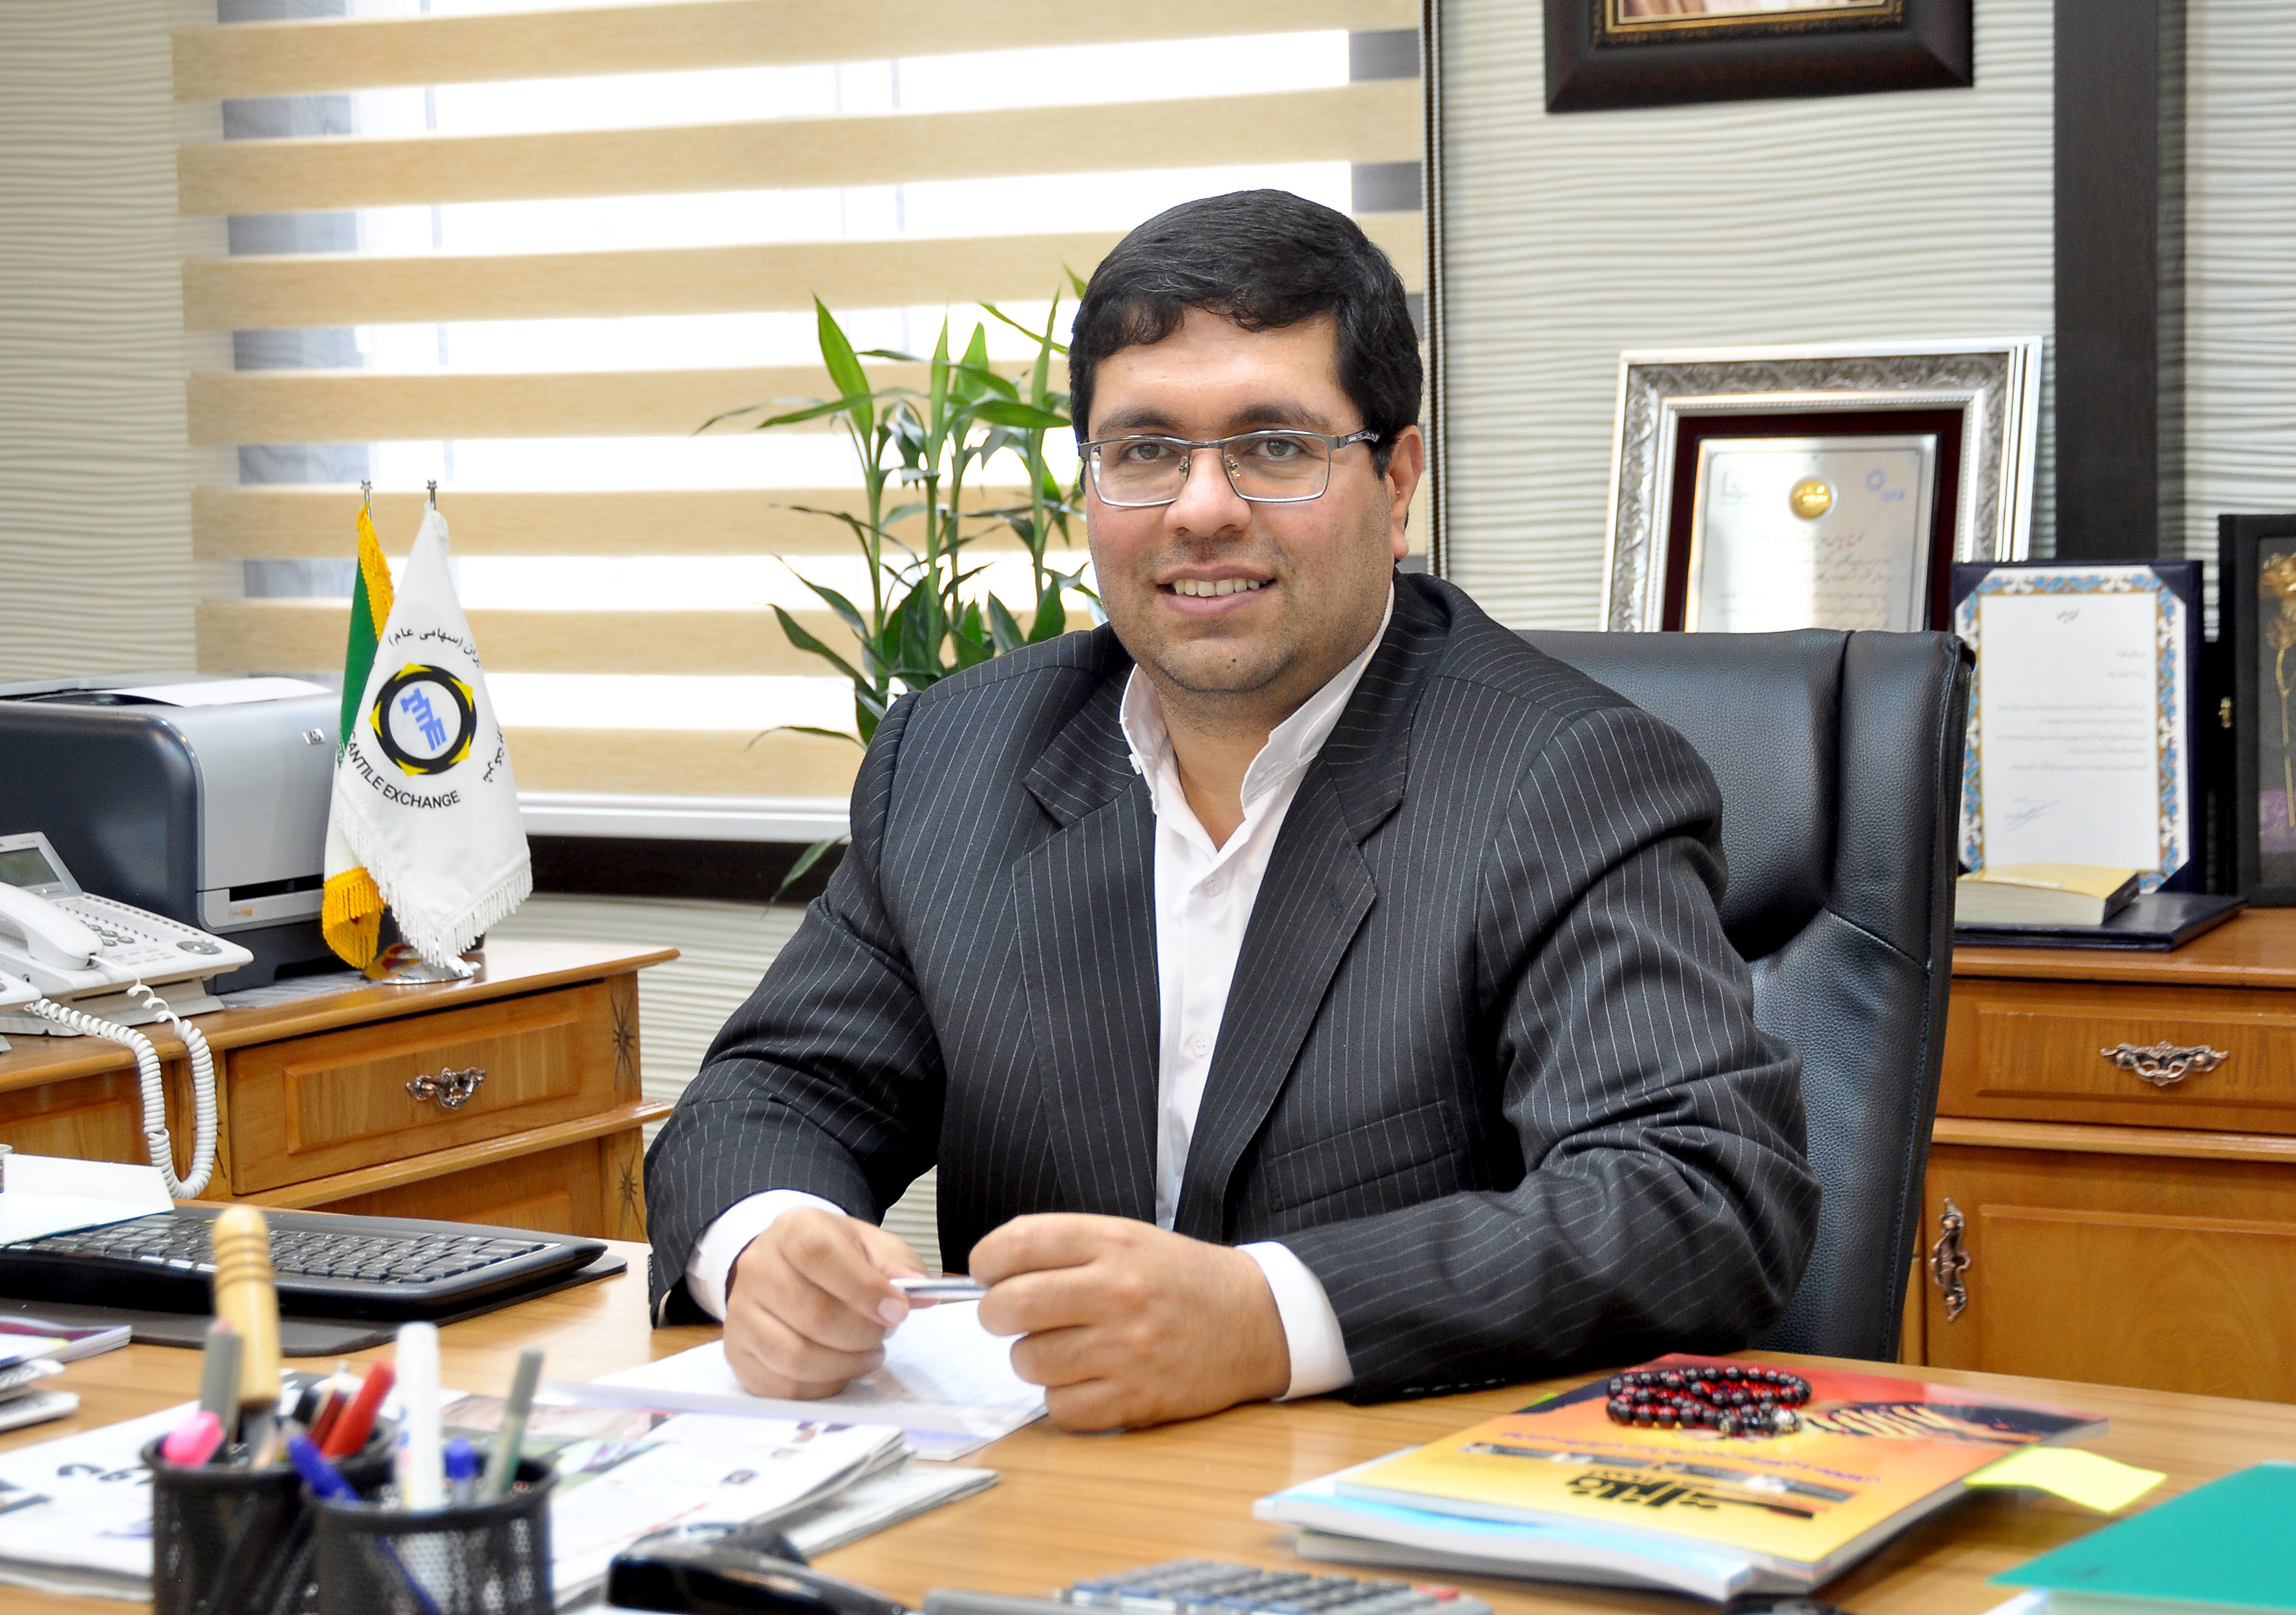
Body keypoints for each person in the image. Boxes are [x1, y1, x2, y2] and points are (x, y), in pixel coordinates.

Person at [644, 189, 1819, 1432]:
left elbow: (1696, 1194)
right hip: (1029, 1490)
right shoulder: (957, 755)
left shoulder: (1559, 776)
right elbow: (772, 1091)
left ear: (1396, 481)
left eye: (1275, 447)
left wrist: (1269, 1317)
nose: (1201, 508)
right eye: (1145, 450)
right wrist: (770, 1242)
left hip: (1379, 1492)